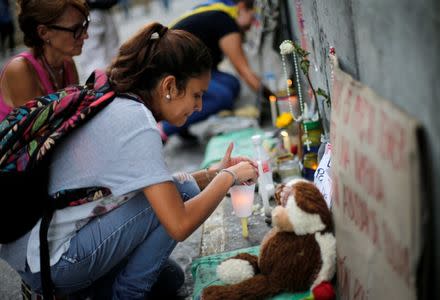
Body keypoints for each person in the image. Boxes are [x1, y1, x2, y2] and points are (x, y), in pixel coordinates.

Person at [0, 22, 259, 299]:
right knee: (183, 194)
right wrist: (227, 179)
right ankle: (127, 295)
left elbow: (154, 189)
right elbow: (178, 223)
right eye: (197, 95)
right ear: (169, 85)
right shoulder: (136, 121)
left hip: (38, 256)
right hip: (54, 261)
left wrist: (213, 172)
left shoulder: (119, 99)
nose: (199, 106)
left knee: (169, 277)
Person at [159, 0, 275, 141]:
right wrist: (275, 100)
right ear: (242, 7)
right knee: (221, 96)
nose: (253, 26)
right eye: (254, 17)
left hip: (183, 70)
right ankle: (164, 129)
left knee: (232, 83)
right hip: (168, 74)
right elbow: (244, 71)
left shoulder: (221, 10)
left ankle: (183, 123)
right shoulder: (226, 22)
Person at [0, 0, 90, 121]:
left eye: (84, 25)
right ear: (43, 32)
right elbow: (36, 133)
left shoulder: (66, 63)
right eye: (76, 29)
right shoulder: (20, 69)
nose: (85, 35)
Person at [76, 0, 119, 83]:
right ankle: (101, 84)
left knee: (109, 50)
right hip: (93, 10)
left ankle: (104, 84)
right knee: (99, 53)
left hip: (98, 9)